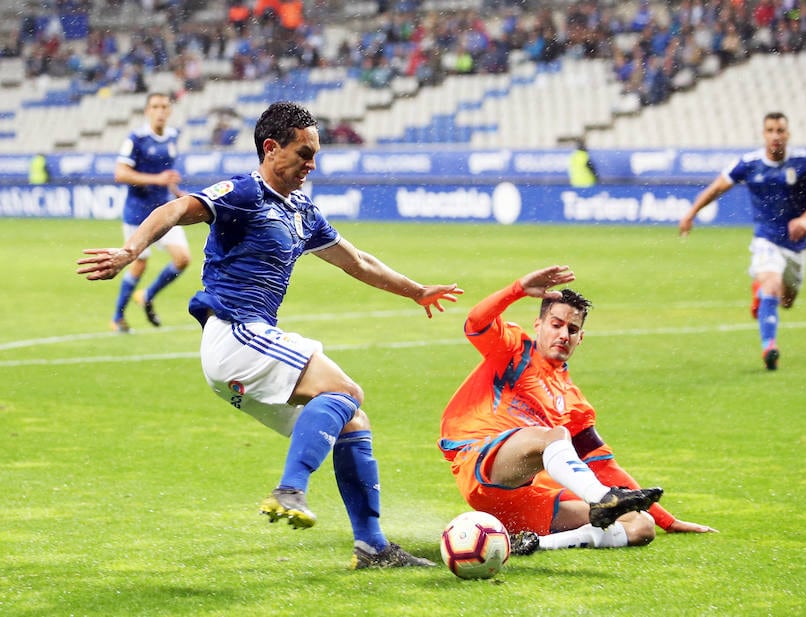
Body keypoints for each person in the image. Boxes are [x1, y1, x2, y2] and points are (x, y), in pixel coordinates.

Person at [77, 101, 463, 569]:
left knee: (351, 421)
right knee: (346, 391)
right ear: (270, 147)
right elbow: (177, 207)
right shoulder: (243, 193)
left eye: (315, 154)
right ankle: (290, 489)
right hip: (236, 333)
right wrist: (129, 249)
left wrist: (417, 291)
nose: (311, 164)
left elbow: (357, 261)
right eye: (303, 153)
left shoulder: (302, 210)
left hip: (242, 348)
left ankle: (373, 547)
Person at [438, 265, 716, 556]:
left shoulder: (573, 401)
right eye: (556, 324)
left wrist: (667, 521)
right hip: (482, 465)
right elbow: (476, 323)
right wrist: (517, 289)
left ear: (580, 338)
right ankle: (602, 498)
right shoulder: (514, 351)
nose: (563, 335)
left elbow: (604, 466)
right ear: (539, 325)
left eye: (572, 329)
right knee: (553, 436)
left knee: (639, 526)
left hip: (525, 500)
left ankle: (534, 545)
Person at [679, 111, 806, 370]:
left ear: (788, 134)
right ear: (763, 134)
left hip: (795, 244)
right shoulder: (749, 163)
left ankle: (760, 295)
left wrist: (805, 219)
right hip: (766, 239)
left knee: (787, 301)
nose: (775, 136)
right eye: (770, 130)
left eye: (780, 131)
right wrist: (691, 213)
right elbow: (716, 188)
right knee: (772, 284)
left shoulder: (803, 161)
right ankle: (769, 347)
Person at [111, 92, 190, 333]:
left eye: (164, 106)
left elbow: (166, 174)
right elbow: (121, 174)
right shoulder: (136, 139)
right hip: (138, 214)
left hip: (165, 211)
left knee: (182, 259)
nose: (160, 111)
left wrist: (176, 191)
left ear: (170, 111)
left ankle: (146, 294)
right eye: (155, 106)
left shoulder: (173, 137)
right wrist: (157, 179)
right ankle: (117, 318)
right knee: (138, 264)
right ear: (147, 111)